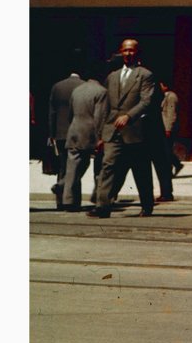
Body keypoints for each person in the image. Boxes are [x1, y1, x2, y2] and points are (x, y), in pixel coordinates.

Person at [90, 38, 157, 218]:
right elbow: (105, 107)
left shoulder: (145, 75)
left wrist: (129, 116)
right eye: (125, 50)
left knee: (140, 170)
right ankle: (102, 206)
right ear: (121, 52)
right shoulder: (112, 76)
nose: (128, 54)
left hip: (135, 131)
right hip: (112, 131)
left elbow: (146, 101)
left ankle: (147, 205)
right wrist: (101, 134)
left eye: (131, 50)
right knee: (107, 166)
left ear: (137, 52)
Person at [61, 64, 108, 211]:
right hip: (91, 133)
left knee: (72, 166)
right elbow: (99, 116)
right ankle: (99, 198)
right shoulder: (101, 92)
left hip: (74, 130)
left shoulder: (77, 90)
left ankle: (68, 199)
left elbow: (70, 113)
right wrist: (101, 136)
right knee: (98, 167)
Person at [47, 59, 84, 209]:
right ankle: (73, 201)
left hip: (61, 133)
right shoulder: (84, 86)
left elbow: (52, 112)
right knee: (76, 166)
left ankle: (60, 201)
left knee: (63, 167)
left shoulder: (57, 87)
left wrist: (52, 133)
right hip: (78, 132)